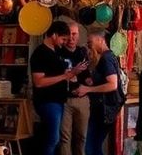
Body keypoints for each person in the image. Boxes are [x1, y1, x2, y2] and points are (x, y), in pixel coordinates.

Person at [32, 21, 88, 155]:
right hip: (48, 101)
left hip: (58, 100)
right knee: (53, 139)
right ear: (54, 35)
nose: (65, 42)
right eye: (63, 39)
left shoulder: (55, 51)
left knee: (54, 138)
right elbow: (38, 82)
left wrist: (72, 73)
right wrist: (65, 76)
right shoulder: (40, 53)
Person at [74, 31, 123, 155]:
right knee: (94, 145)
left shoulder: (106, 58)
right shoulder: (108, 57)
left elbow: (112, 84)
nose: (89, 45)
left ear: (100, 40)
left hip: (104, 108)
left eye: (90, 42)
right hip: (103, 107)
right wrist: (91, 81)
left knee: (90, 147)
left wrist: (87, 89)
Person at [60, 22, 90, 155]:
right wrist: (71, 73)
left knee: (82, 136)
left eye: (74, 34)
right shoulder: (58, 52)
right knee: (65, 137)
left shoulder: (82, 52)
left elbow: (87, 75)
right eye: (69, 34)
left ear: (78, 36)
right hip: (64, 99)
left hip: (81, 98)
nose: (71, 37)